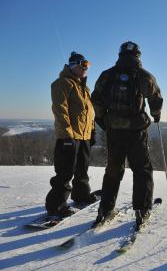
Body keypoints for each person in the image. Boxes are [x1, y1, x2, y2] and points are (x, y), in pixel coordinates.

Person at [91, 41, 163, 225]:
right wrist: (156, 115)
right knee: (142, 170)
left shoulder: (107, 75)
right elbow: (156, 98)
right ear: (138, 55)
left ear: (120, 54)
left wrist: (103, 120)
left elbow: (96, 99)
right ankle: (142, 210)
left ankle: (105, 209)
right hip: (136, 130)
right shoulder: (144, 75)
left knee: (113, 170)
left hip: (114, 130)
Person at [46, 51, 97, 218]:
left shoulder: (84, 88)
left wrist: (92, 131)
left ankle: (81, 195)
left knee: (82, 169)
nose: (86, 69)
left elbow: (90, 113)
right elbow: (61, 111)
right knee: (65, 172)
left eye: (88, 66)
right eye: (84, 65)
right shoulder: (62, 83)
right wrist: (67, 135)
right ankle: (56, 205)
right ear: (74, 65)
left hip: (83, 136)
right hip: (69, 136)